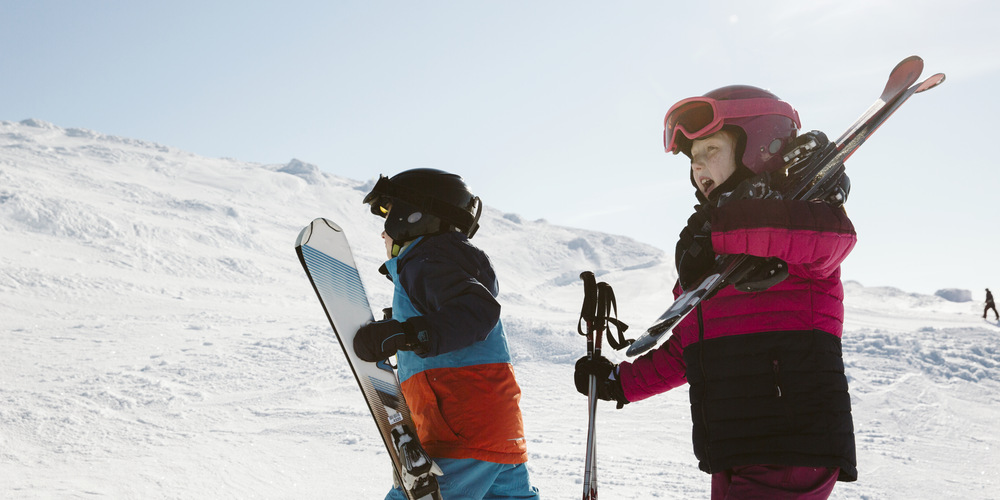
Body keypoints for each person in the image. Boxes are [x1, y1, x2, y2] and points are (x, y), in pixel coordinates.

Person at [575, 85, 859, 499]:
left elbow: (833, 238)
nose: (699, 166)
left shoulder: (807, 220)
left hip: (793, 442)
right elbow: (689, 350)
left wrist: (728, 227)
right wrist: (621, 382)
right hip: (733, 445)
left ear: (757, 149)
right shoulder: (706, 248)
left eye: (711, 149)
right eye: (693, 158)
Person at [352, 168, 540, 500]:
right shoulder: (445, 262)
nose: (383, 233)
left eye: (389, 216)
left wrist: (406, 334)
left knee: (418, 495)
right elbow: (458, 319)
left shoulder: (425, 261)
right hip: (496, 430)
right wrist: (403, 328)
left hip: (461, 429)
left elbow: (477, 312)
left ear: (413, 217)